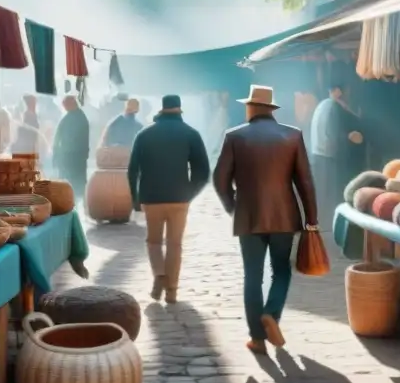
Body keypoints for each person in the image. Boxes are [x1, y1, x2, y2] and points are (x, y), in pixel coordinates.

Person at [213, 85, 318, 355]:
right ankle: (271, 313)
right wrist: (312, 220)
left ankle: (257, 339)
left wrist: (233, 207)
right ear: (270, 110)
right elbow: (305, 182)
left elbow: (220, 180)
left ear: (251, 108)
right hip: (285, 217)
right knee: (281, 270)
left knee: (252, 276)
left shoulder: (234, 137)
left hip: (248, 217)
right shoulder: (292, 136)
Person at [127, 94, 210, 304]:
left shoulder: (144, 134)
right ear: (180, 109)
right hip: (179, 198)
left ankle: (159, 274)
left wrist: (135, 199)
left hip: (151, 197)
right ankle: (171, 291)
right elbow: (203, 172)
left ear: (162, 109)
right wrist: (190, 193)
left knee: (153, 242)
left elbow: (132, 170)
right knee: (175, 245)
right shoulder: (191, 134)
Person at [310, 83, 364, 227]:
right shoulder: (333, 107)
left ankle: (323, 224)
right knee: (333, 196)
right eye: (346, 91)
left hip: (318, 155)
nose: (348, 94)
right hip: (329, 158)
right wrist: (349, 137)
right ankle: (332, 226)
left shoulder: (322, 105)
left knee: (323, 195)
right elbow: (333, 135)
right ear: (339, 91)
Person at [52, 95, 90, 200]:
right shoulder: (72, 117)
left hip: (72, 157)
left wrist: (57, 154)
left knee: (74, 185)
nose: (64, 108)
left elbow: (63, 138)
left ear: (71, 104)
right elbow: (58, 138)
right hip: (70, 157)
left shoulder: (77, 118)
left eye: (65, 105)